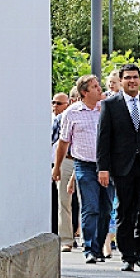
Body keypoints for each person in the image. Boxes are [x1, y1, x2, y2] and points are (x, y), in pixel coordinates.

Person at [96, 64, 140, 272]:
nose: (132, 81)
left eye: (135, 78)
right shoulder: (110, 105)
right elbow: (103, 139)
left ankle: (139, 246)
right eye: (127, 78)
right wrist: (103, 168)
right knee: (125, 210)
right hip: (122, 166)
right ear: (121, 81)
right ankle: (128, 255)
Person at [53, 74, 111, 264]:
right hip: (84, 164)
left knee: (106, 209)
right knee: (90, 207)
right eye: (94, 87)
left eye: (98, 85)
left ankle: (99, 246)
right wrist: (58, 167)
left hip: (107, 166)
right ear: (84, 92)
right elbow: (63, 142)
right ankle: (90, 249)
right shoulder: (72, 113)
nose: (99, 89)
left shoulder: (107, 109)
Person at [51, 92, 76, 251]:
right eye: (53, 102)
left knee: (89, 202)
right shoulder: (61, 119)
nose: (55, 106)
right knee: (64, 201)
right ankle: (66, 238)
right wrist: (56, 165)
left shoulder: (97, 113)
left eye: (59, 103)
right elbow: (55, 141)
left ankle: (92, 241)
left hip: (86, 160)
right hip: (67, 159)